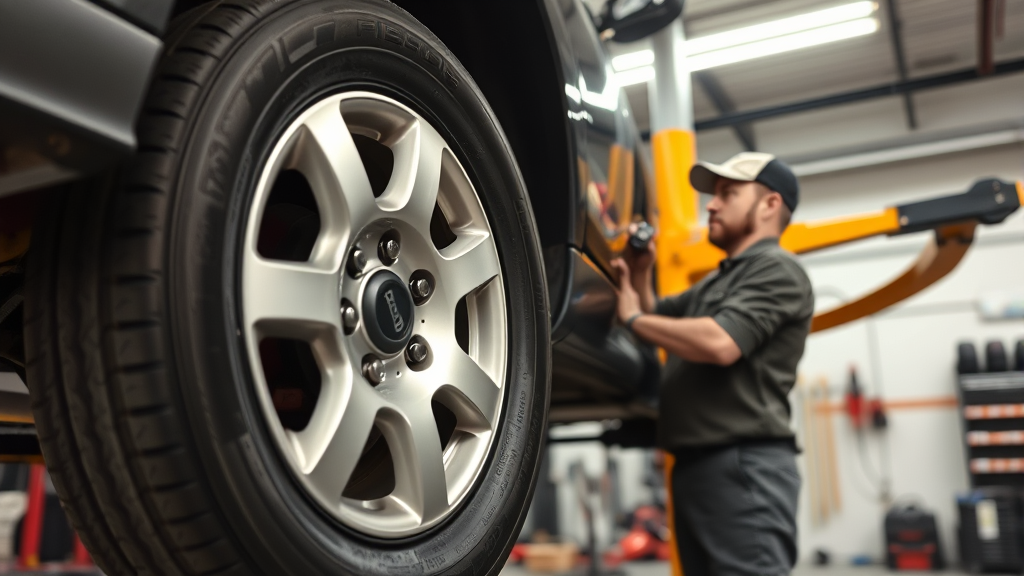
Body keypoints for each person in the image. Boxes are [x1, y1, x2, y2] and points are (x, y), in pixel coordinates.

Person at [612, 152, 814, 576]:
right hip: (700, 467)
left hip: (743, 467)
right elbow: (661, 320)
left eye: (728, 193)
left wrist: (633, 317)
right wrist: (643, 274)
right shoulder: (719, 281)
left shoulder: (777, 270)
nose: (712, 204)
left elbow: (721, 342)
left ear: (770, 205)